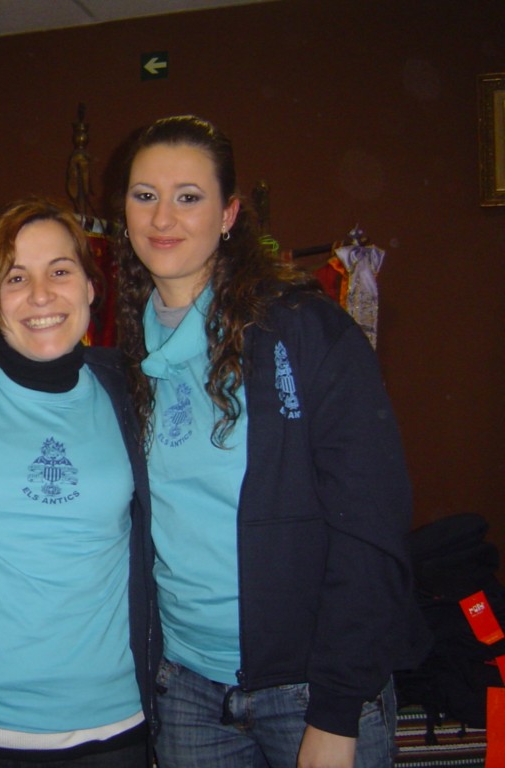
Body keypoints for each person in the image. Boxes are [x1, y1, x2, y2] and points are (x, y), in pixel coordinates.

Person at [113, 114, 429, 768]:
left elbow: (371, 523)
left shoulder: (305, 330)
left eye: (188, 196)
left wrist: (337, 710)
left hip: (311, 688)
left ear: (229, 214)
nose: (163, 217)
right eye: (145, 195)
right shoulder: (126, 352)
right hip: (187, 689)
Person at [0, 197, 160, 766]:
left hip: (110, 730)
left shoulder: (134, 392)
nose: (41, 296)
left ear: (91, 287)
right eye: (16, 278)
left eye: (60, 272)